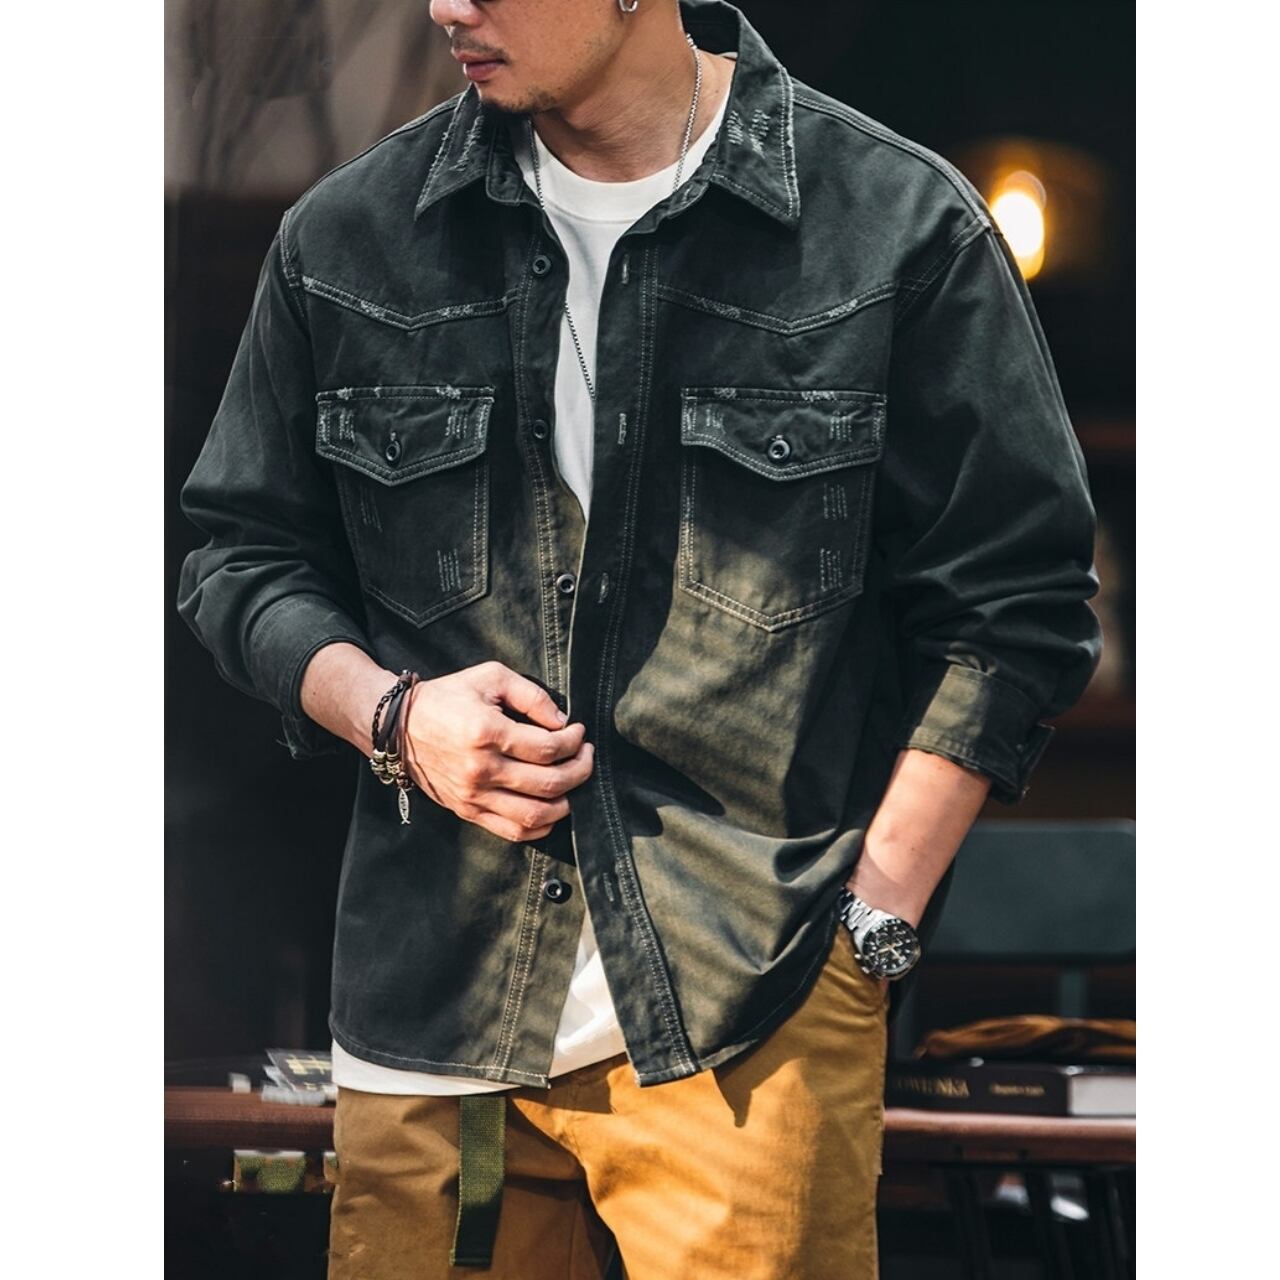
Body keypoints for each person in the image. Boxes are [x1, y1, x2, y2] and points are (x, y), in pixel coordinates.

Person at [176, 0, 1103, 1275]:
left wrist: (869, 927)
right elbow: (240, 557)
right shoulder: (351, 238)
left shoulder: (893, 223)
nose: (448, 6)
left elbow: (1018, 600)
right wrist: (395, 714)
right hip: (436, 1015)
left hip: (753, 1008)